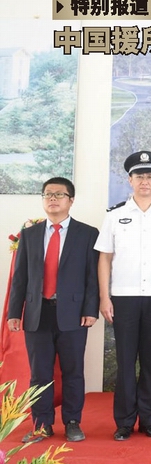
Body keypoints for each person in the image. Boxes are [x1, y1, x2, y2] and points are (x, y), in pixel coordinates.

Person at [95, 151, 151, 440]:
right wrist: (105, 297)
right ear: (130, 180)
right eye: (139, 176)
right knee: (125, 362)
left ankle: (149, 419)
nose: (145, 181)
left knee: (150, 361)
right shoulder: (115, 216)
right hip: (124, 297)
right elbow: (105, 258)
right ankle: (124, 422)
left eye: (150, 176)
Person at [6, 177, 99, 443]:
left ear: (71, 200)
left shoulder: (87, 233)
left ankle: (72, 422)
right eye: (48, 194)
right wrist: (15, 312)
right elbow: (20, 277)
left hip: (73, 314)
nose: (53, 199)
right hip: (37, 313)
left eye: (59, 194)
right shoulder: (30, 234)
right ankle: (42, 424)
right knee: (40, 375)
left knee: (73, 372)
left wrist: (90, 309)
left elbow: (92, 276)